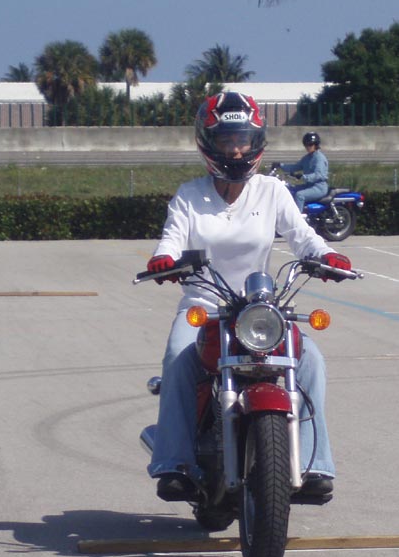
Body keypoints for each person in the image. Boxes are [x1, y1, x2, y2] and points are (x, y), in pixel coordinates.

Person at [145, 93, 352, 503]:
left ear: (256, 141)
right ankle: (174, 463)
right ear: (209, 143)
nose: (236, 149)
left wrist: (327, 255)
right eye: (227, 140)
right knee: (177, 360)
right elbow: (171, 236)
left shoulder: (272, 191)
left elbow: (302, 236)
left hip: (259, 307)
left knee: (310, 358)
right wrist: (164, 259)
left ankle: (314, 464)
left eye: (243, 139)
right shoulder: (189, 195)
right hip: (204, 306)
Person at [272, 131, 329, 212]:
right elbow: (295, 167)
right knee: (290, 190)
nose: (308, 147)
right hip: (309, 186)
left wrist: (303, 177)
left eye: (310, 145)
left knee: (300, 195)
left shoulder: (319, 158)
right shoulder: (307, 158)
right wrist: (280, 165)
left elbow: (319, 175)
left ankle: (298, 217)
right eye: (306, 145)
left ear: (316, 145)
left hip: (319, 187)